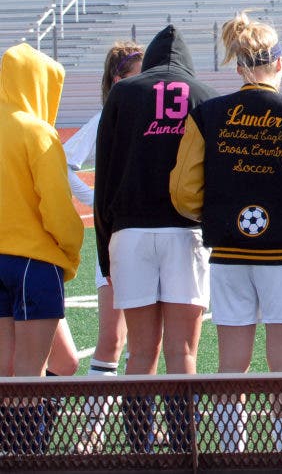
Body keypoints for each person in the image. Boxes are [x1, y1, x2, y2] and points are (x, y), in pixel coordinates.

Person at [170, 13, 282, 453]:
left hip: (228, 254)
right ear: (279, 62)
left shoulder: (207, 115)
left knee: (232, 365)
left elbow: (184, 191)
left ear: (238, 64)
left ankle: (233, 454)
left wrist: (217, 215)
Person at [93, 24, 218, 453]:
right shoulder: (204, 94)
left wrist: (105, 252)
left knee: (140, 352)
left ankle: (138, 449)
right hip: (187, 232)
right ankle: (185, 449)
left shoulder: (124, 95)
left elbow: (104, 178)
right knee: (182, 353)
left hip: (129, 234)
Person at [0, 43, 84, 454]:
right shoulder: (38, 131)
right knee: (30, 377)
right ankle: (28, 456)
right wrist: (71, 252)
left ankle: (12, 452)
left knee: (10, 371)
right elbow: (56, 208)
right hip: (36, 263)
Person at [61, 40, 142, 452]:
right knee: (113, 338)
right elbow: (65, 160)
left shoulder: (152, 113)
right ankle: (91, 431)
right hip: (114, 239)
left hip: (145, 236)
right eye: (138, 70)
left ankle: (138, 429)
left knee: (145, 343)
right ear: (119, 77)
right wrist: (95, 199)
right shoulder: (106, 116)